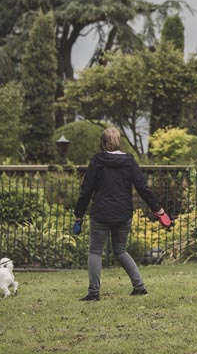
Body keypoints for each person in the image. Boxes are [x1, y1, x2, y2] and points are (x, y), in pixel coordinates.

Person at [73, 127, 170, 301]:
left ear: (103, 143)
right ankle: (139, 287)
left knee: (95, 251)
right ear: (119, 142)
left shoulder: (97, 161)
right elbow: (143, 188)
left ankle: (94, 293)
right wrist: (158, 210)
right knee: (120, 250)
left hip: (101, 213)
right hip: (123, 213)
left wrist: (78, 215)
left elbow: (86, 190)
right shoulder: (129, 161)